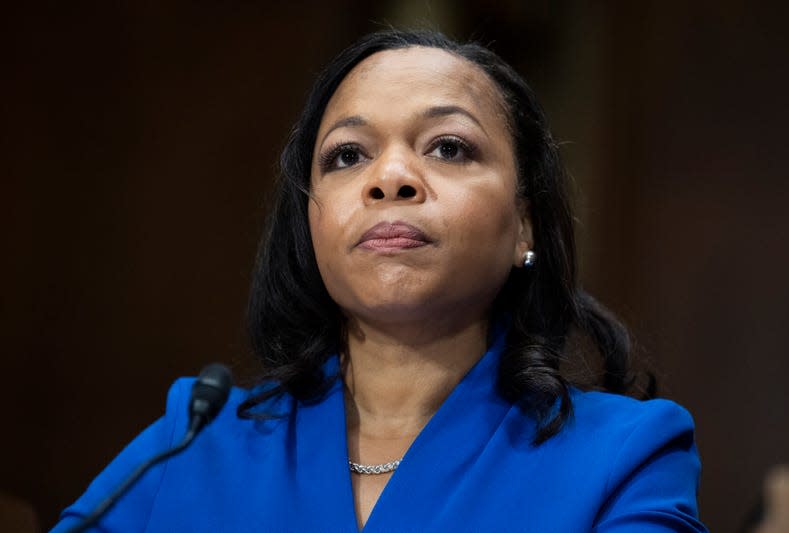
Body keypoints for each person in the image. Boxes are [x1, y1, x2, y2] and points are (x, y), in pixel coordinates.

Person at [53, 30, 707, 532]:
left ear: (524, 225)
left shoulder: (625, 458)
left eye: (449, 146)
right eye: (348, 155)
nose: (389, 178)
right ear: (311, 219)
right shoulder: (192, 440)